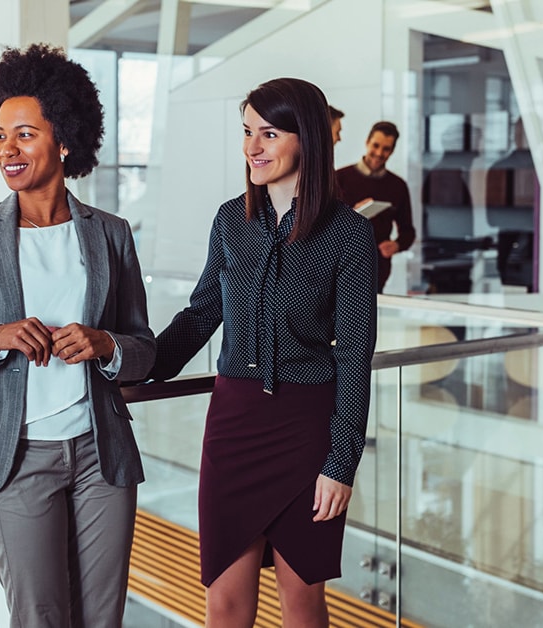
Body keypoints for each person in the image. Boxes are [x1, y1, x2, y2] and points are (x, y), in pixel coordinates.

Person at [0, 43, 155, 627]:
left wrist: (106, 346)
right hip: (14, 455)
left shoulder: (111, 234)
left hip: (102, 456)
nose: (8, 149)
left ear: (64, 139)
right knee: (39, 618)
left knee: (102, 619)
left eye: (24, 134)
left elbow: (143, 348)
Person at [149, 77, 377, 627]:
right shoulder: (232, 220)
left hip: (307, 430)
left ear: (308, 140)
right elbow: (202, 313)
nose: (252, 147)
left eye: (269, 134)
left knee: (303, 605)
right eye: (247, 132)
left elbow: (354, 356)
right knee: (224, 605)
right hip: (233, 426)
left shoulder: (349, 235)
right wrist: (132, 365)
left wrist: (341, 462)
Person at [336, 121, 416, 293]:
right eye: (376, 145)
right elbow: (323, 225)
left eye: (386, 149)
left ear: (392, 151)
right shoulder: (339, 178)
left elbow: (408, 231)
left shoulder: (398, 186)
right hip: (341, 265)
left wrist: (397, 245)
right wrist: (352, 212)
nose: (379, 153)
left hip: (377, 269)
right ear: (367, 142)